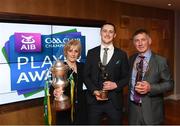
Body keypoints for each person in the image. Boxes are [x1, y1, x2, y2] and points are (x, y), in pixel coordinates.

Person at [83, 23, 129, 124]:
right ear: (100, 33)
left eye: (110, 31)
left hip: (114, 101)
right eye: (105, 31)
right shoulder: (91, 53)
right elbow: (86, 76)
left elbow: (127, 77)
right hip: (94, 101)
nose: (107, 34)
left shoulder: (121, 55)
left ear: (115, 35)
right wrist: (94, 90)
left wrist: (116, 85)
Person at [128, 28, 174, 125]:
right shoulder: (131, 59)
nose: (140, 43)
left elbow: (169, 84)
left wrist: (150, 88)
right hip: (133, 109)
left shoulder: (160, 61)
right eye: (137, 40)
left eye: (143, 40)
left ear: (149, 41)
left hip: (152, 110)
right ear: (134, 43)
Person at [53, 39, 88, 124]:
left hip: (82, 107)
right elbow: (53, 87)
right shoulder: (60, 68)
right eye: (70, 51)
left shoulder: (83, 67)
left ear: (78, 53)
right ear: (66, 52)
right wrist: (55, 92)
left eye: (76, 51)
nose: (73, 54)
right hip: (65, 107)